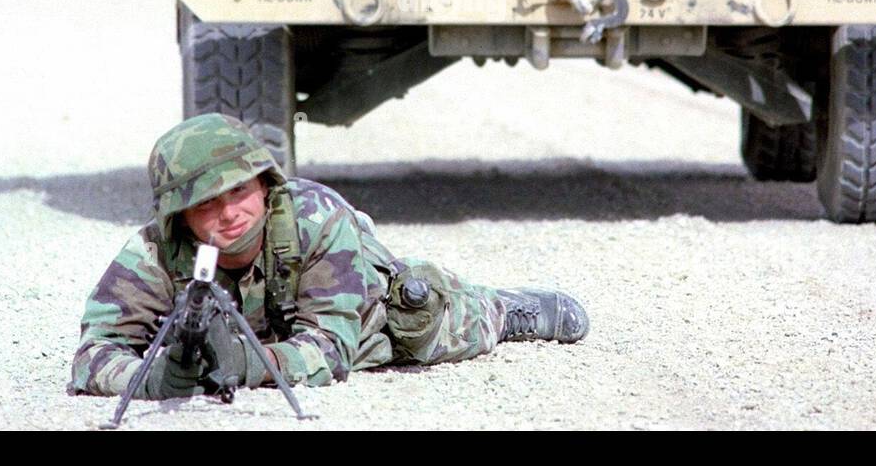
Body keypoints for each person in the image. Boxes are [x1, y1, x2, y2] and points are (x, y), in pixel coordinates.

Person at [70, 113, 588, 398]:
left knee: (421, 315)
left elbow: (332, 350)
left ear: (263, 184)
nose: (228, 214)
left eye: (238, 193)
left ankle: (502, 308)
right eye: (205, 204)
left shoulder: (314, 217)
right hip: (282, 332)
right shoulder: (154, 253)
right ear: (178, 216)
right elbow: (93, 354)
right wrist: (154, 380)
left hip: (360, 313)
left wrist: (248, 362)